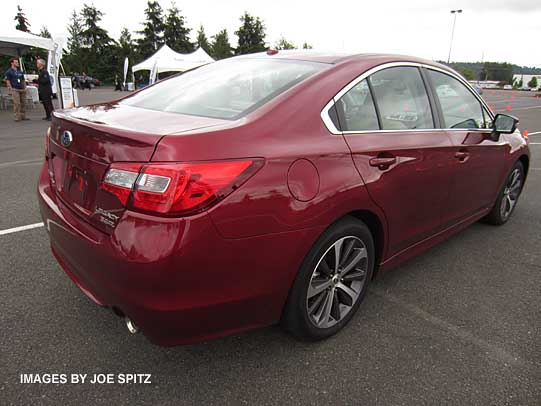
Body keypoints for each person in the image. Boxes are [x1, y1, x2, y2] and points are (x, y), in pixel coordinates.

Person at [3, 57, 28, 122]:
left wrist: (25, 87)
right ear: (12, 63)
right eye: (16, 62)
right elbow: (7, 80)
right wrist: (10, 87)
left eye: (17, 62)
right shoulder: (9, 72)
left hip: (22, 88)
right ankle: (17, 116)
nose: (17, 63)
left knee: (23, 102)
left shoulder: (20, 71)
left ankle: (23, 116)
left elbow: (23, 80)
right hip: (15, 88)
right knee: (17, 103)